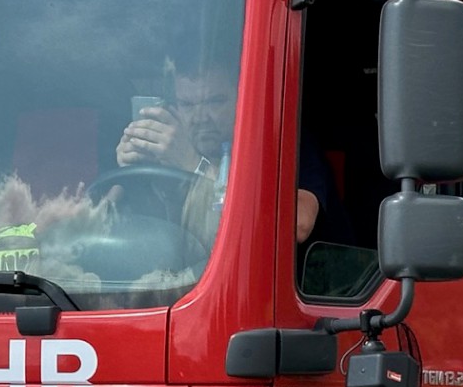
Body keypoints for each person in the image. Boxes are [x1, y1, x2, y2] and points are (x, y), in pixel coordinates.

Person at [115, 66, 340, 251]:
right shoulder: (174, 149)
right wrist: (132, 176)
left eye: (214, 102)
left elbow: (298, 225)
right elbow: (143, 235)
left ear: (241, 101)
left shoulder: (281, 142)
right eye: (187, 105)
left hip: (315, 279)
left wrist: (195, 166)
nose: (200, 117)